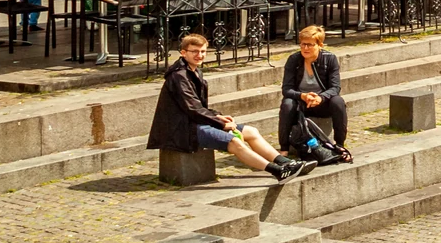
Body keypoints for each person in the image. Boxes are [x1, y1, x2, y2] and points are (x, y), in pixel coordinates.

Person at [149, 33, 308, 181]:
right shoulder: (179, 76)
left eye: (203, 51)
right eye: (195, 51)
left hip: (194, 121)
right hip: (181, 129)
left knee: (251, 132)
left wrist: (217, 116)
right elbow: (192, 109)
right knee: (234, 142)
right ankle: (278, 171)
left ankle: (286, 162)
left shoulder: (194, 71)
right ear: (183, 53)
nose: (200, 55)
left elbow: (197, 106)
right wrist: (221, 124)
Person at [279, 25, 350, 159]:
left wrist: (321, 98)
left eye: (310, 45)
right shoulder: (294, 60)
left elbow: (335, 88)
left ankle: (340, 144)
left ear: (320, 45)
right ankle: (284, 149)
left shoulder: (330, 59)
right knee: (287, 103)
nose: (305, 48)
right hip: (301, 104)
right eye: (303, 44)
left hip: (322, 103)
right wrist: (303, 96)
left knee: (338, 101)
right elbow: (286, 89)